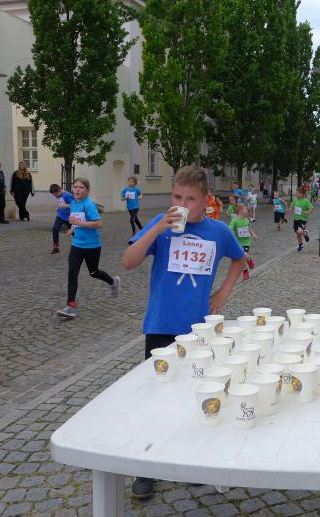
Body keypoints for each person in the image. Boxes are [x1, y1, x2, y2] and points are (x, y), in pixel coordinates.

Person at [121, 164, 246, 499]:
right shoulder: (160, 226)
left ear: (205, 201)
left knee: (197, 392)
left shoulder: (218, 231)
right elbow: (128, 261)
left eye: (190, 199)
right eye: (177, 197)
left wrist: (221, 294)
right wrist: (157, 228)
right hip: (161, 325)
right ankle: (146, 467)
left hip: (198, 330)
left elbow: (239, 259)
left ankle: (192, 460)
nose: (182, 204)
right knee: (155, 397)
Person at [56, 178, 120, 318]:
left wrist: (78, 223)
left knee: (93, 272)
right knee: (72, 273)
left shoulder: (89, 205)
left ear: (87, 191)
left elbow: (99, 224)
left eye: (81, 187)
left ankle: (113, 281)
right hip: (77, 245)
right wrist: (72, 229)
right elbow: (76, 220)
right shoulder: (73, 204)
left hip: (92, 246)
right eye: (75, 187)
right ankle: (70, 306)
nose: (77, 189)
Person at [229, 203, 258, 281]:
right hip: (238, 242)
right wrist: (231, 234)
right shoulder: (234, 221)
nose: (247, 210)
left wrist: (253, 234)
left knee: (244, 255)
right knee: (240, 258)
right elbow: (230, 229)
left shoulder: (246, 219)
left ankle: (249, 259)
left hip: (246, 241)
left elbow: (248, 227)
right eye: (245, 209)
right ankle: (245, 271)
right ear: (240, 210)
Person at [50, 184, 74, 254]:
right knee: (55, 229)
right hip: (60, 216)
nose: (56, 196)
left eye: (56, 194)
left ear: (59, 190)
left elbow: (74, 204)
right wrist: (58, 207)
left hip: (69, 217)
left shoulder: (67, 195)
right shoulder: (58, 195)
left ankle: (79, 246)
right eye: (54, 195)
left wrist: (65, 206)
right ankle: (56, 248)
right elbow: (60, 202)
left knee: (74, 233)